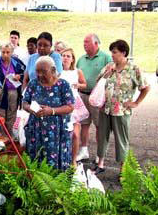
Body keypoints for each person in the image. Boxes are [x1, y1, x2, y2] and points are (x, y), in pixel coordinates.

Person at [94, 40, 150, 175]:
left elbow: (145, 87)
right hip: (105, 109)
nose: (112, 55)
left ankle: (123, 170)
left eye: (115, 52)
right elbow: (98, 82)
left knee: (121, 140)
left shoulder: (133, 69)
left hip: (121, 111)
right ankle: (100, 164)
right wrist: (107, 72)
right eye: (111, 52)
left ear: (123, 53)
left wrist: (136, 103)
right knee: (102, 137)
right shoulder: (109, 66)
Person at [23, 56, 74, 170]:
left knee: (54, 162)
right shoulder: (33, 83)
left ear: (52, 70)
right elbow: (25, 102)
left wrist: (52, 111)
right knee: (36, 159)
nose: (40, 75)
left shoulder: (63, 85)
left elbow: (70, 107)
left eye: (43, 71)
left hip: (56, 132)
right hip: (36, 130)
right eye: (37, 71)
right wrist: (30, 109)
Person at [76, 33, 112, 162]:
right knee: (83, 125)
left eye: (87, 42)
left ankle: (99, 154)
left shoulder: (106, 58)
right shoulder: (81, 59)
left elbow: (111, 73)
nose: (84, 44)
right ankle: (84, 150)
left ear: (96, 43)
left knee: (99, 126)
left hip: (97, 99)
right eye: (84, 42)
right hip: (83, 96)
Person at [0, 43, 26, 137]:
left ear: (12, 52)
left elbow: (25, 74)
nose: (5, 54)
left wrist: (20, 76)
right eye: (3, 52)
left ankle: (9, 138)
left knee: (11, 117)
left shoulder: (17, 63)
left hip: (13, 94)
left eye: (8, 52)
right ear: (0, 52)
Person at [60, 48, 87, 167]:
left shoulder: (77, 71)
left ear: (72, 59)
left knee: (75, 134)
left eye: (68, 56)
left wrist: (78, 85)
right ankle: (62, 158)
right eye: (63, 55)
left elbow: (84, 84)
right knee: (64, 133)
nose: (65, 58)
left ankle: (73, 160)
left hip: (74, 104)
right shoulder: (57, 71)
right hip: (61, 104)